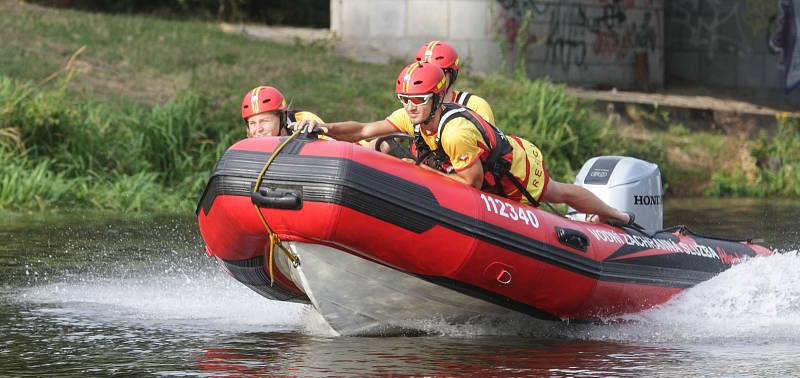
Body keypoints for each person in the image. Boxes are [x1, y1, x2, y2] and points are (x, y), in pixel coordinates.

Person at [312, 62, 633, 225]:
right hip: (478, 168)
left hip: (515, 171)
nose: (410, 107)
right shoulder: (415, 115)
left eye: (418, 100)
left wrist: (414, 171)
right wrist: (324, 127)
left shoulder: (455, 132)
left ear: (437, 98)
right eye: (405, 100)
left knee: (556, 193)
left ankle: (614, 216)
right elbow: (365, 130)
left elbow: (471, 181)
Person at [297, 41, 493, 152]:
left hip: (459, 173)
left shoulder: (474, 106)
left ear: (452, 74)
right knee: (382, 145)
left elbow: (485, 154)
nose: (432, 76)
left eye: (439, 71)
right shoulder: (411, 111)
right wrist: (325, 129)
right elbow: (364, 130)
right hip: (427, 173)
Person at [240, 86, 324, 138]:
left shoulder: (304, 118)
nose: (258, 129)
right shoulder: (245, 146)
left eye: (264, 121)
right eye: (252, 123)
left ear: (282, 118)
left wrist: (312, 133)